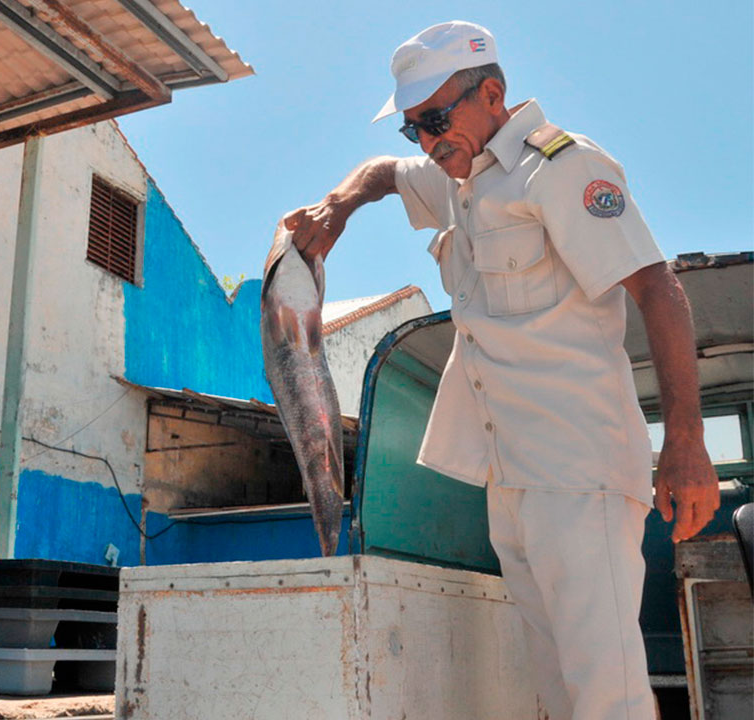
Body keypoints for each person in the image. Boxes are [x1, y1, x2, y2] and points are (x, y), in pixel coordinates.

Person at [284, 21, 719, 720]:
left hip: (579, 468)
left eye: (434, 120)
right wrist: (337, 207)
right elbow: (382, 174)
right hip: (512, 479)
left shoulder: (561, 166)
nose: (427, 142)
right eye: (413, 130)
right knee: (554, 689)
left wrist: (688, 446)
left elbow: (659, 289)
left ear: (492, 93)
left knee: (608, 696)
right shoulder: (463, 178)